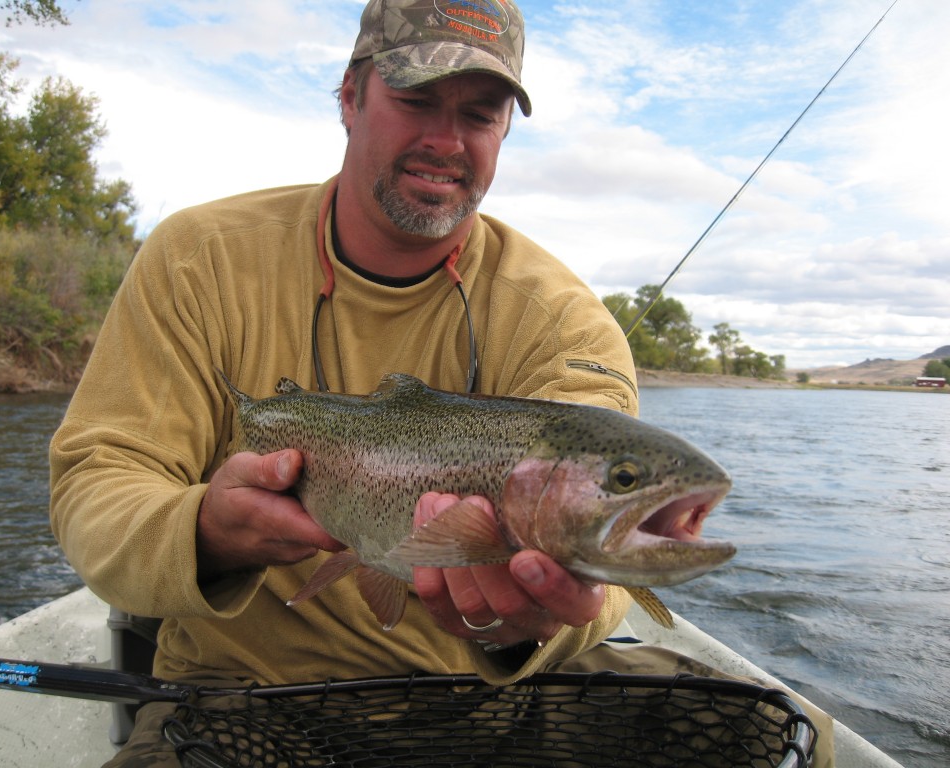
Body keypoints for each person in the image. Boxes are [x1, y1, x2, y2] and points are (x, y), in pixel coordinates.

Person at [48, 1, 678, 765]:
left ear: (505, 131)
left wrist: (537, 618)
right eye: (414, 100)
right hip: (238, 693)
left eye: (480, 114)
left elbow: (601, 572)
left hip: (484, 702)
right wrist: (207, 533)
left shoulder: (564, 322)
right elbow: (98, 484)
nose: (446, 142)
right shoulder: (199, 260)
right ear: (348, 97)